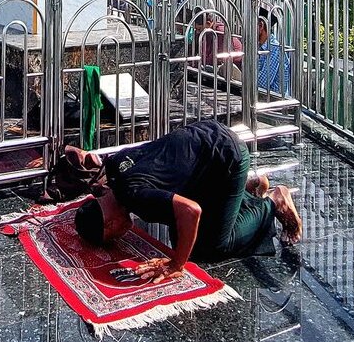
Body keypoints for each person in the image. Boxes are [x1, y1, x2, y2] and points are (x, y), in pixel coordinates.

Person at [73, 120, 302, 282]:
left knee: (211, 248)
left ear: (109, 225)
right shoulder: (113, 169)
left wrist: (176, 264)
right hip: (205, 140)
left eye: (114, 237)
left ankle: (272, 202)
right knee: (181, 237)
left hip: (226, 158)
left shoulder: (134, 196)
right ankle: (247, 189)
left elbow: (190, 211)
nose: (121, 236)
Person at [257, 11, 290, 95]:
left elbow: (262, 84)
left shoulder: (275, 49)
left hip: (273, 101)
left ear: (261, 26)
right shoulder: (260, 46)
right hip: (262, 97)